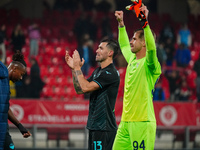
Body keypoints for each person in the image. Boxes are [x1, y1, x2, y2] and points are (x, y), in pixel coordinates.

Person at [113, 4, 161, 150]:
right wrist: (121, 25)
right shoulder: (133, 60)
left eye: (134, 39)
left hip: (143, 123)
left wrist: (145, 24)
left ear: (144, 42)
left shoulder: (151, 64)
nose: (131, 41)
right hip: (126, 122)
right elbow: (124, 45)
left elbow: (152, 49)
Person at [65, 38, 120, 150]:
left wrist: (77, 67)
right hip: (95, 126)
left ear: (110, 53)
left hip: (104, 127)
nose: (96, 50)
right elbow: (79, 89)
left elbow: (85, 87)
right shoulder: (98, 71)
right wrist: (74, 70)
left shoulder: (110, 73)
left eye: (101, 48)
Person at [4, 51, 31, 150]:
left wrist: (20, 127)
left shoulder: (5, 83)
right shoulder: (2, 81)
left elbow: (4, 107)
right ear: (14, 68)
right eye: (21, 74)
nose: (21, 78)